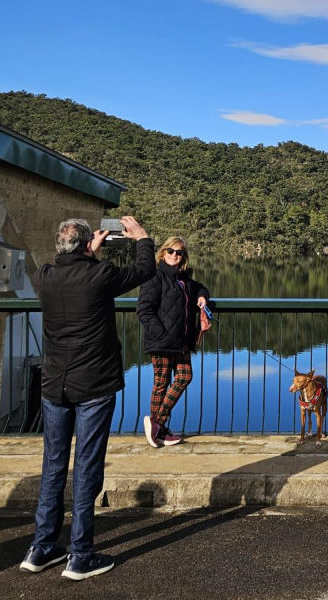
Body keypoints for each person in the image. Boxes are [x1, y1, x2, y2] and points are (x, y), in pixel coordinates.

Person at [20, 215, 154, 581]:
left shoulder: (44, 276)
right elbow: (144, 269)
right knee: (87, 469)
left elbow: (70, 270)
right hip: (93, 387)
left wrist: (87, 251)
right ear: (86, 246)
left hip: (54, 387)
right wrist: (141, 237)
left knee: (53, 467)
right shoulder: (100, 276)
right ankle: (80, 556)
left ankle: (41, 548)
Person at [136, 236, 212, 448]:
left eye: (179, 252)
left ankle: (156, 423)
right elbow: (143, 310)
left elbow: (200, 287)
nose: (174, 255)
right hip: (161, 341)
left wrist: (203, 297)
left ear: (183, 257)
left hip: (181, 341)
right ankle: (159, 427)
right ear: (162, 253)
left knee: (184, 376)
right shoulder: (154, 276)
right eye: (170, 251)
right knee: (161, 384)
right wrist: (161, 333)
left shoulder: (183, 279)